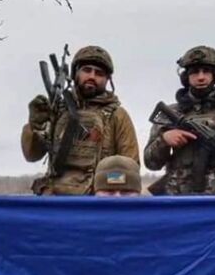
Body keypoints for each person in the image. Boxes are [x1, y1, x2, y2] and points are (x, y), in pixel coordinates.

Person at [21, 46, 140, 195]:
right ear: (75, 73)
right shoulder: (59, 110)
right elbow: (31, 155)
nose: (92, 76)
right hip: (54, 196)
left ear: (107, 80)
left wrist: (105, 185)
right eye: (87, 70)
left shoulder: (117, 115)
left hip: (95, 199)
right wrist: (36, 126)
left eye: (99, 73)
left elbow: (130, 168)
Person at [143, 45, 215, 195]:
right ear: (186, 77)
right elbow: (151, 163)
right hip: (178, 198)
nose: (201, 77)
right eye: (195, 72)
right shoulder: (171, 113)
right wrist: (164, 140)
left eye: (206, 71)